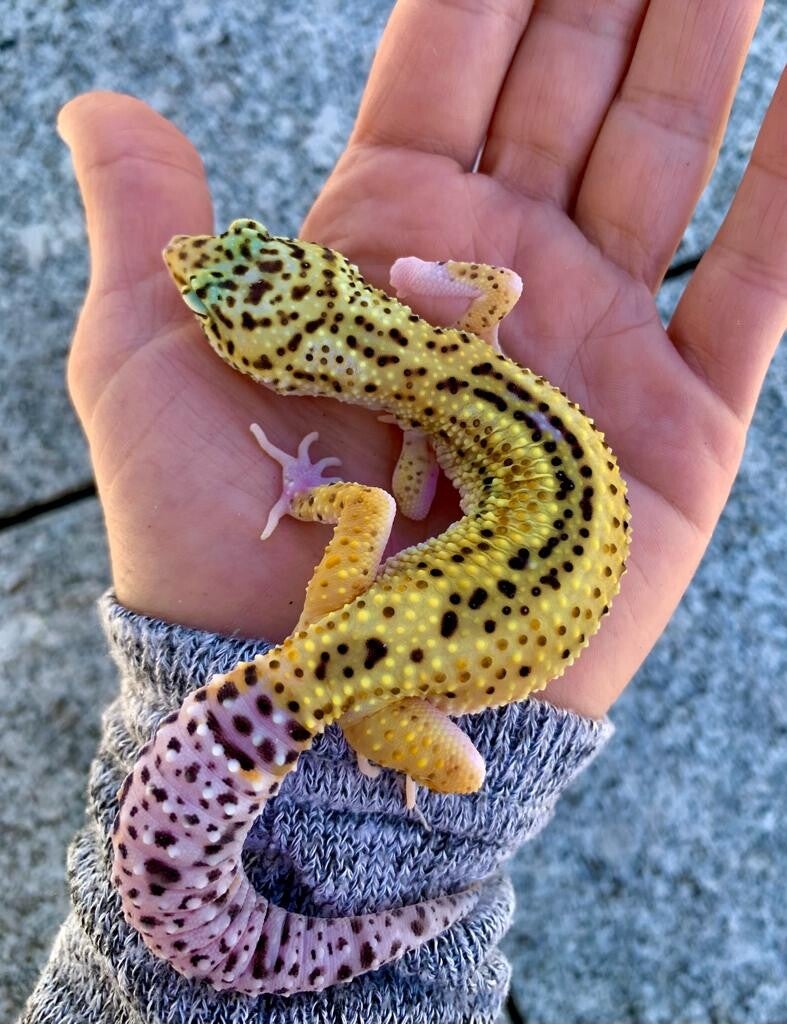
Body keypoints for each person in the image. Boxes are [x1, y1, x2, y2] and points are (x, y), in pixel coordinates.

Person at [21, 1, 786, 1021]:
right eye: (217, 289)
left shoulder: (424, 432)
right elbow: (483, 313)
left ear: (287, 359)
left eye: (219, 291)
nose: (188, 266)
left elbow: (408, 495)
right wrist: (425, 284)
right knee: (408, 634)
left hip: (415, 641)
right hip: (492, 572)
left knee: (460, 770)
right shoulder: (462, 350)